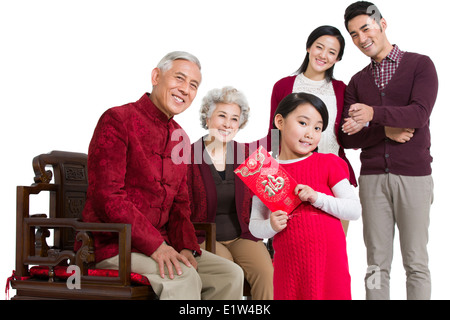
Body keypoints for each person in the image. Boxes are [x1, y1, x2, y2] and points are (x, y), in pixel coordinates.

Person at [81, 51, 244, 300]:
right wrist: (156, 245)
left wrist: (187, 246)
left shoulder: (181, 137)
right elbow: (108, 197)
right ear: (156, 76)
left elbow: (180, 205)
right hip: (115, 246)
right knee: (183, 276)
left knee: (229, 275)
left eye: (193, 85)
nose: (185, 90)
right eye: (179, 78)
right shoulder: (117, 119)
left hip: (164, 245)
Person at [340, 1, 438, 300]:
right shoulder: (357, 81)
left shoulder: (420, 65)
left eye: (365, 28)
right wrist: (385, 130)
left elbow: (419, 114)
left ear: (382, 24)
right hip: (371, 180)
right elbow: (347, 138)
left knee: (416, 263)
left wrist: (372, 115)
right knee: (375, 266)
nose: (361, 39)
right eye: (354, 34)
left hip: (414, 178)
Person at [249, 92, 361, 300]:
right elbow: (255, 226)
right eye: (303, 123)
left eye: (317, 128)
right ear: (280, 121)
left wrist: (317, 198)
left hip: (330, 263)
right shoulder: (265, 172)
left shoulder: (328, 163)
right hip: (289, 266)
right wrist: (270, 226)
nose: (310, 133)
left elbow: (354, 210)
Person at [268, 25, 357, 235]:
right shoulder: (284, 86)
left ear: (338, 59)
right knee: (292, 244)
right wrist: (271, 169)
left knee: (335, 247)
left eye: (332, 52)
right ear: (309, 47)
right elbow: (273, 132)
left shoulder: (342, 90)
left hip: (334, 177)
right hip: (292, 176)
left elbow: (347, 134)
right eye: (319, 47)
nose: (323, 55)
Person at [187, 86, 274, 300]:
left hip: (242, 234)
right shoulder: (188, 156)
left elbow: (276, 192)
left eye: (234, 119)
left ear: (240, 124)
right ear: (207, 118)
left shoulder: (247, 155)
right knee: (229, 274)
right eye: (222, 116)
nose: (227, 124)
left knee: (268, 275)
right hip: (204, 236)